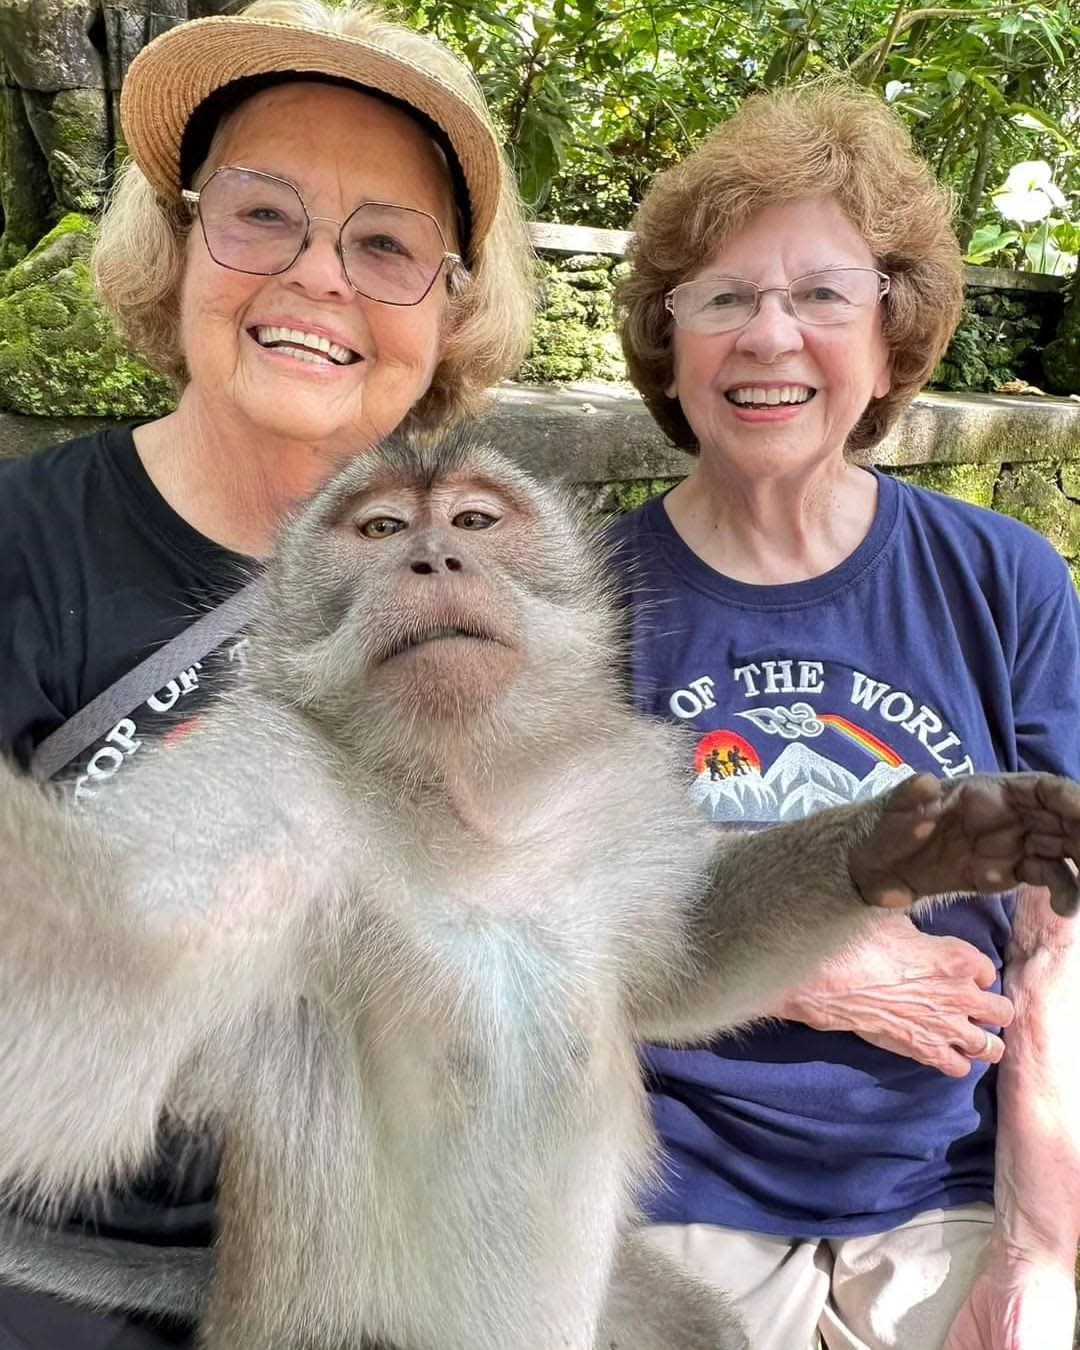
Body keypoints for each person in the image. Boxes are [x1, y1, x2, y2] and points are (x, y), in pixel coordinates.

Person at [0, 0, 534, 1343]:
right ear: (182, 245)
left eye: (387, 245)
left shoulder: (483, 589)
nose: (318, 279)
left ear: (449, 308)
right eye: (261, 216)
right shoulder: (27, 546)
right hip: (53, 1260)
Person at [612, 82, 1080, 1350]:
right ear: (672, 340)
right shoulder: (581, 601)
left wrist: (1041, 1254)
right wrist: (803, 963)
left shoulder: (1005, 582)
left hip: (951, 1186)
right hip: (665, 1192)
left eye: (822, 294)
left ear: (891, 336)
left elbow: (1061, 945)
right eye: (721, 297)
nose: (770, 336)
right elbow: (523, 921)